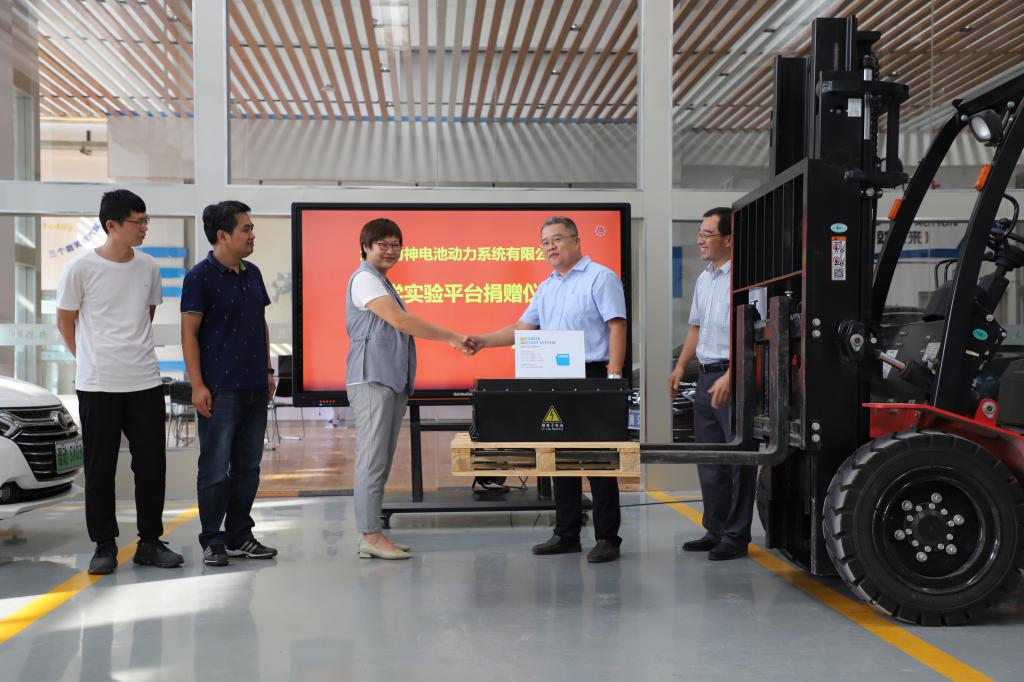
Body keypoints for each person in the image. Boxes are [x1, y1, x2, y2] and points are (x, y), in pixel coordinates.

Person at [466, 216, 627, 563]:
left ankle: (607, 538)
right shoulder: (547, 287)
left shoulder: (601, 277)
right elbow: (522, 328)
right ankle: (566, 533)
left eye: (557, 239)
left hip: (591, 377)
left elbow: (617, 326)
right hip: (554, 377)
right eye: (545, 242)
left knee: (598, 460)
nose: (550, 247)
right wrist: (483, 341)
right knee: (558, 457)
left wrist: (613, 381)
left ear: (576, 241)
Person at [56, 189, 184, 575]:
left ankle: (150, 542)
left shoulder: (148, 267)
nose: (144, 227)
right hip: (98, 384)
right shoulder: (80, 269)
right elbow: (65, 321)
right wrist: (88, 358)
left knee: (151, 466)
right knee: (100, 468)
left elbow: (145, 314)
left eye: (146, 220)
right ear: (112, 225)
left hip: (145, 380)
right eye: (138, 221)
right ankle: (104, 545)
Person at [346, 218, 472, 560]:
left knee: (380, 460)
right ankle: (370, 535)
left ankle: (373, 532)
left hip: (387, 379)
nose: (390, 250)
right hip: (372, 378)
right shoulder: (364, 279)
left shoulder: (381, 281)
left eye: (395, 244)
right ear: (365, 248)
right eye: (382, 244)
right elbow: (401, 322)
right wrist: (451, 337)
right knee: (372, 460)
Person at [180, 201, 278, 567]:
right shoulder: (199, 277)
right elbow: (189, 335)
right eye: (246, 229)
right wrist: (197, 385)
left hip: (254, 387)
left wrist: (267, 370)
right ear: (223, 235)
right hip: (219, 390)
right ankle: (212, 539)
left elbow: (259, 322)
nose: (252, 235)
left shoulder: (253, 273)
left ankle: (240, 535)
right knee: (215, 467)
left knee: (248, 468)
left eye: (252, 229)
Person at [670, 206, 755, 561]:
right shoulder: (705, 278)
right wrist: (680, 367)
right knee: (709, 460)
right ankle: (715, 529)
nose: (700, 240)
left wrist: (732, 375)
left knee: (737, 459)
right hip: (705, 377)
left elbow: (753, 334)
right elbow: (696, 328)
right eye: (700, 234)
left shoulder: (745, 280)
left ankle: (735, 536)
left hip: (732, 378)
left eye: (707, 234)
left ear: (729, 240)